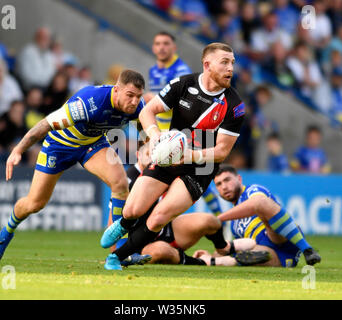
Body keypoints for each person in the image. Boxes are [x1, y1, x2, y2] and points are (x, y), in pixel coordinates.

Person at [101, 42, 246, 270]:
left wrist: (188, 155)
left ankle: (116, 258)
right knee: (132, 210)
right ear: (207, 65)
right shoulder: (184, 84)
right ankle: (125, 223)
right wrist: (155, 136)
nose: (231, 69)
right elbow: (148, 110)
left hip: (200, 167)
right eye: (225, 62)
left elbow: (221, 152)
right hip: (169, 154)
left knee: (158, 217)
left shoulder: (235, 105)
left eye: (233, 63)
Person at [0, 69, 146, 264]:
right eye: (130, 95)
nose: (134, 101)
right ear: (116, 90)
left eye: (138, 96)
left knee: (120, 184)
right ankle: (6, 231)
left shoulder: (138, 106)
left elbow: (144, 128)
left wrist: (145, 148)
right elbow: (45, 124)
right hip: (59, 147)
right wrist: (18, 150)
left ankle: (119, 253)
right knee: (35, 203)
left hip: (91, 145)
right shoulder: (89, 102)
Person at [119, 142, 271, 268]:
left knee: (210, 221)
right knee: (161, 251)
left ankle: (224, 248)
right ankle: (206, 261)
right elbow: (115, 219)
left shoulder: (166, 168)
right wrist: (120, 253)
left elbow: (205, 191)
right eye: (149, 154)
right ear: (138, 156)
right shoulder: (128, 180)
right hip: (143, 243)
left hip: (168, 228)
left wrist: (220, 217)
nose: (153, 157)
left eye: (155, 153)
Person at [145, 31, 222, 216]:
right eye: (158, 43)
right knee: (165, 174)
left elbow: (185, 102)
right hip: (159, 131)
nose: (161, 47)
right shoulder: (153, 70)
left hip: (177, 132)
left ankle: (220, 218)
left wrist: (152, 99)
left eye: (166, 43)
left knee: (187, 175)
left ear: (174, 47)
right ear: (153, 47)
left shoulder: (181, 70)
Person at [208, 165, 321, 267]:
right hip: (270, 253)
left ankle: (307, 249)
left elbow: (257, 202)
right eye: (219, 184)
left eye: (227, 180)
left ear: (239, 179)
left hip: (279, 237)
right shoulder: (234, 224)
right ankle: (218, 261)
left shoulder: (252, 190)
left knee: (260, 202)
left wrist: (219, 218)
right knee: (219, 255)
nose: (224, 187)